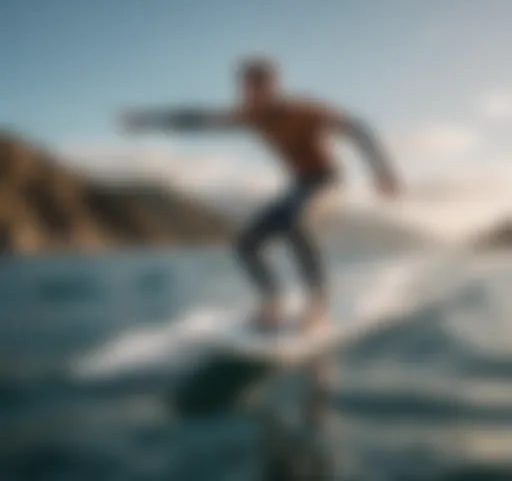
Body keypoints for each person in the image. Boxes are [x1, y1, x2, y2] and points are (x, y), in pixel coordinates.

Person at [121, 57, 400, 331]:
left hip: (328, 183)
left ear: (273, 86)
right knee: (246, 243)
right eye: (247, 89)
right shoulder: (250, 115)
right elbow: (197, 120)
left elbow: (357, 128)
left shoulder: (303, 110)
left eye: (258, 87)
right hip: (300, 186)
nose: (252, 95)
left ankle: (318, 304)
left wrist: (382, 172)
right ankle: (273, 300)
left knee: (295, 222)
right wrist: (148, 121)